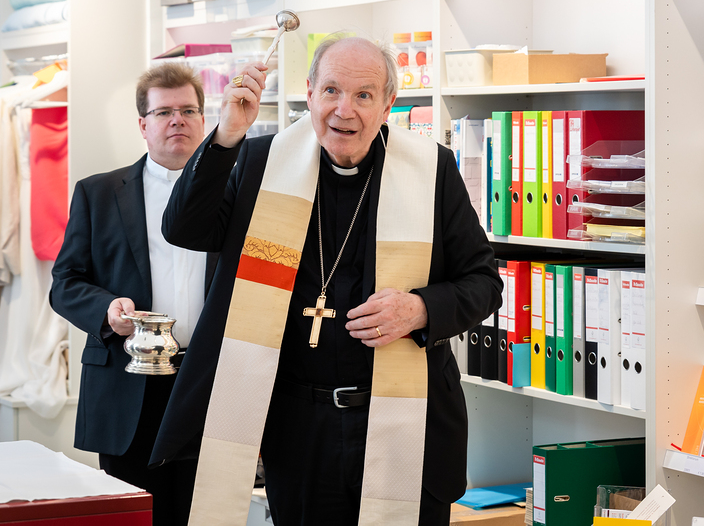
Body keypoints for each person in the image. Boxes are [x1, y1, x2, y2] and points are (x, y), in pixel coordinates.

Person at [151, 36, 504, 526]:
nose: (344, 110)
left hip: (409, 423)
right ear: (310, 93)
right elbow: (184, 230)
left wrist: (420, 310)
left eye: (364, 95)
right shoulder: (261, 163)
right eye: (332, 90)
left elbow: (484, 283)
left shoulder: (431, 169)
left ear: (388, 105)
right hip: (299, 430)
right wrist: (227, 134)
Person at [50, 63, 216, 526]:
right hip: (127, 385)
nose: (177, 120)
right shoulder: (98, 193)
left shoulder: (235, 193)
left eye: (188, 110)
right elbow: (65, 282)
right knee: (135, 518)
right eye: (164, 112)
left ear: (204, 120)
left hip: (206, 382)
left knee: (203, 516)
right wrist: (106, 310)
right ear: (143, 125)